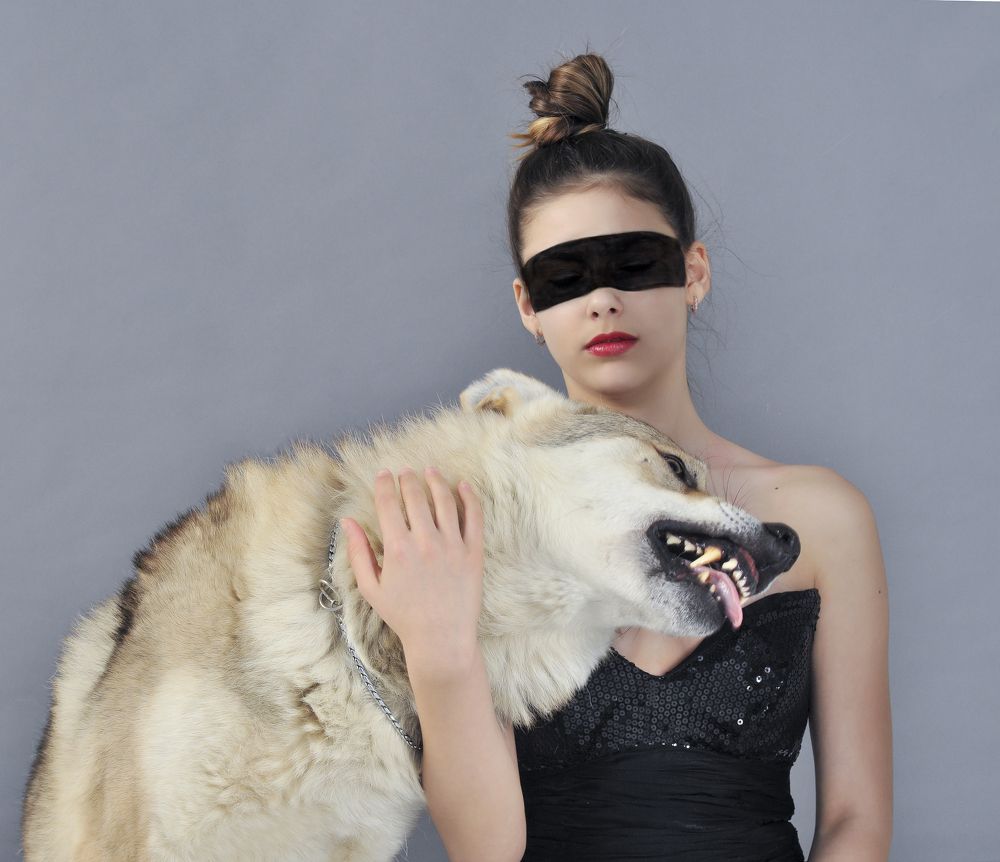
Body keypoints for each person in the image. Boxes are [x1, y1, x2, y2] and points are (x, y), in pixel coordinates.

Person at [339, 52, 892, 862]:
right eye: (564, 277)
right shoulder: (477, 530)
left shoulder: (823, 517)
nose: (602, 299)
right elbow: (487, 848)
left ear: (693, 273)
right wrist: (440, 650)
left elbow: (855, 819)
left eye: (634, 263)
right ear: (528, 308)